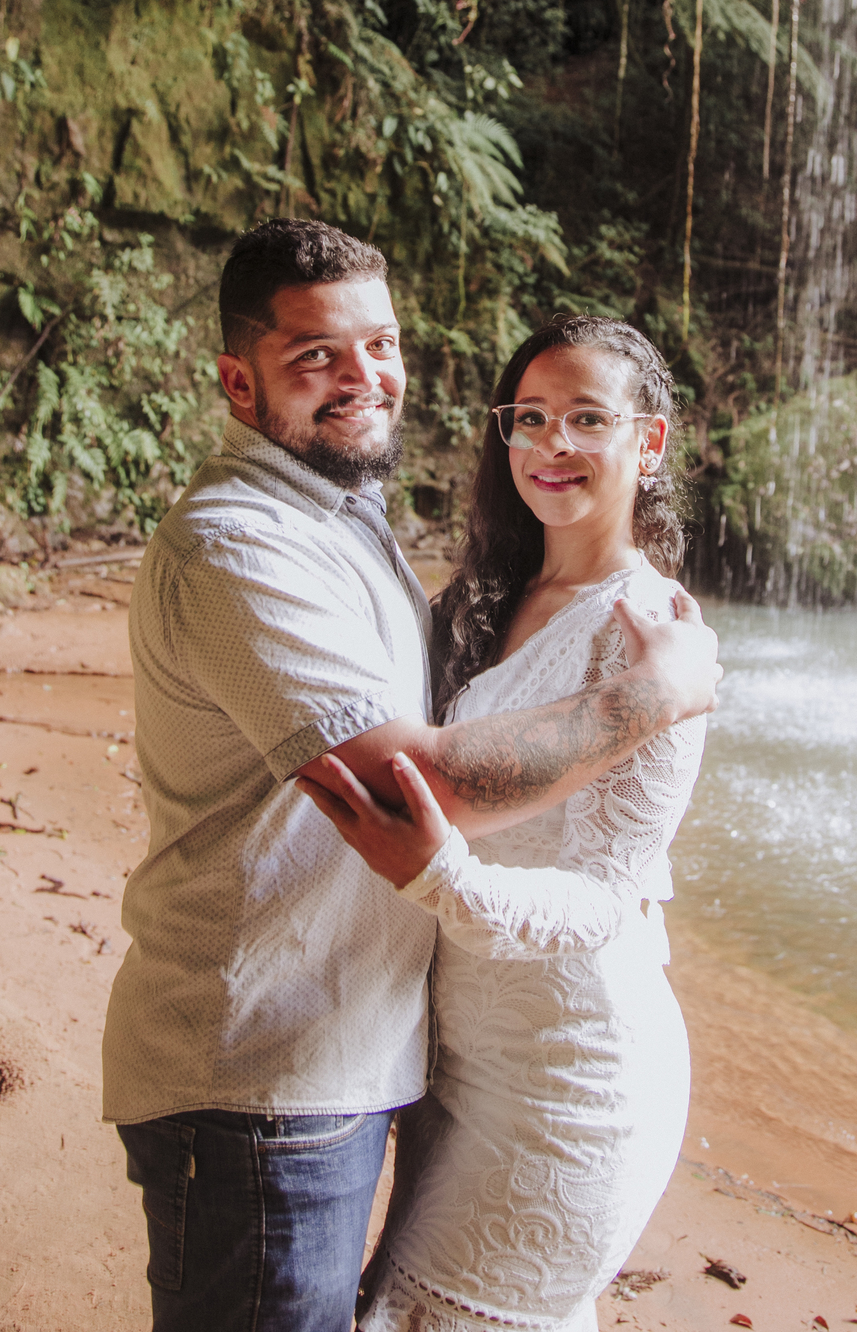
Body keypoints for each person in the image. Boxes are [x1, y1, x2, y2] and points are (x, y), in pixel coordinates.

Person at [102, 221, 719, 1332]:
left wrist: (651, 688)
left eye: (379, 345)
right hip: (264, 1065)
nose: (363, 376)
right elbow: (414, 787)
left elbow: (610, 889)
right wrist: (651, 699)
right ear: (238, 383)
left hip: (452, 1058)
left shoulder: (357, 528)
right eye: (316, 355)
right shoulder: (245, 543)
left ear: (651, 441)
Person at [300, 314, 707, 1332]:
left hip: (572, 1074)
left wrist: (443, 878)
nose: (551, 444)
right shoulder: (489, 598)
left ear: (649, 443)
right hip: (456, 1061)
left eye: (587, 419)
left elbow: (608, 900)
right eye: (530, 418)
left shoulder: (656, 636)